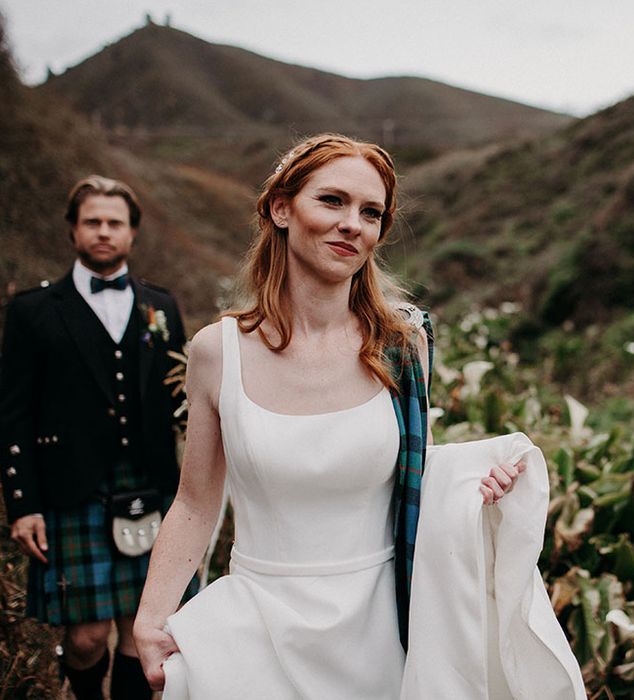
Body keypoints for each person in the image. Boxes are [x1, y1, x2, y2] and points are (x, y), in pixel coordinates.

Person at [133, 134, 525, 697]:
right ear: (281, 208)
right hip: (255, 629)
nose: (353, 224)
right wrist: (150, 619)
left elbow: (419, 476)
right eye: (332, 201)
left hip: (379, 634)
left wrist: (475, 483)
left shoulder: (403, 344)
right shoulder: (217, 353)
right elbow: (196, 501)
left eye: (371, 213)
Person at [0, 175, 195, 700]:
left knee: (142, 630)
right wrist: (23, 504)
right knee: (84, 639)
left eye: (115, 223)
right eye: (93, 222)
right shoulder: (31, 311)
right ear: (73, 231)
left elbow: (181, 401)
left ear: (132, 233)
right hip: (70, 489)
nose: (103, 232)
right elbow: (13, 412)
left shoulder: (162, 307)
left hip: (150, 484)